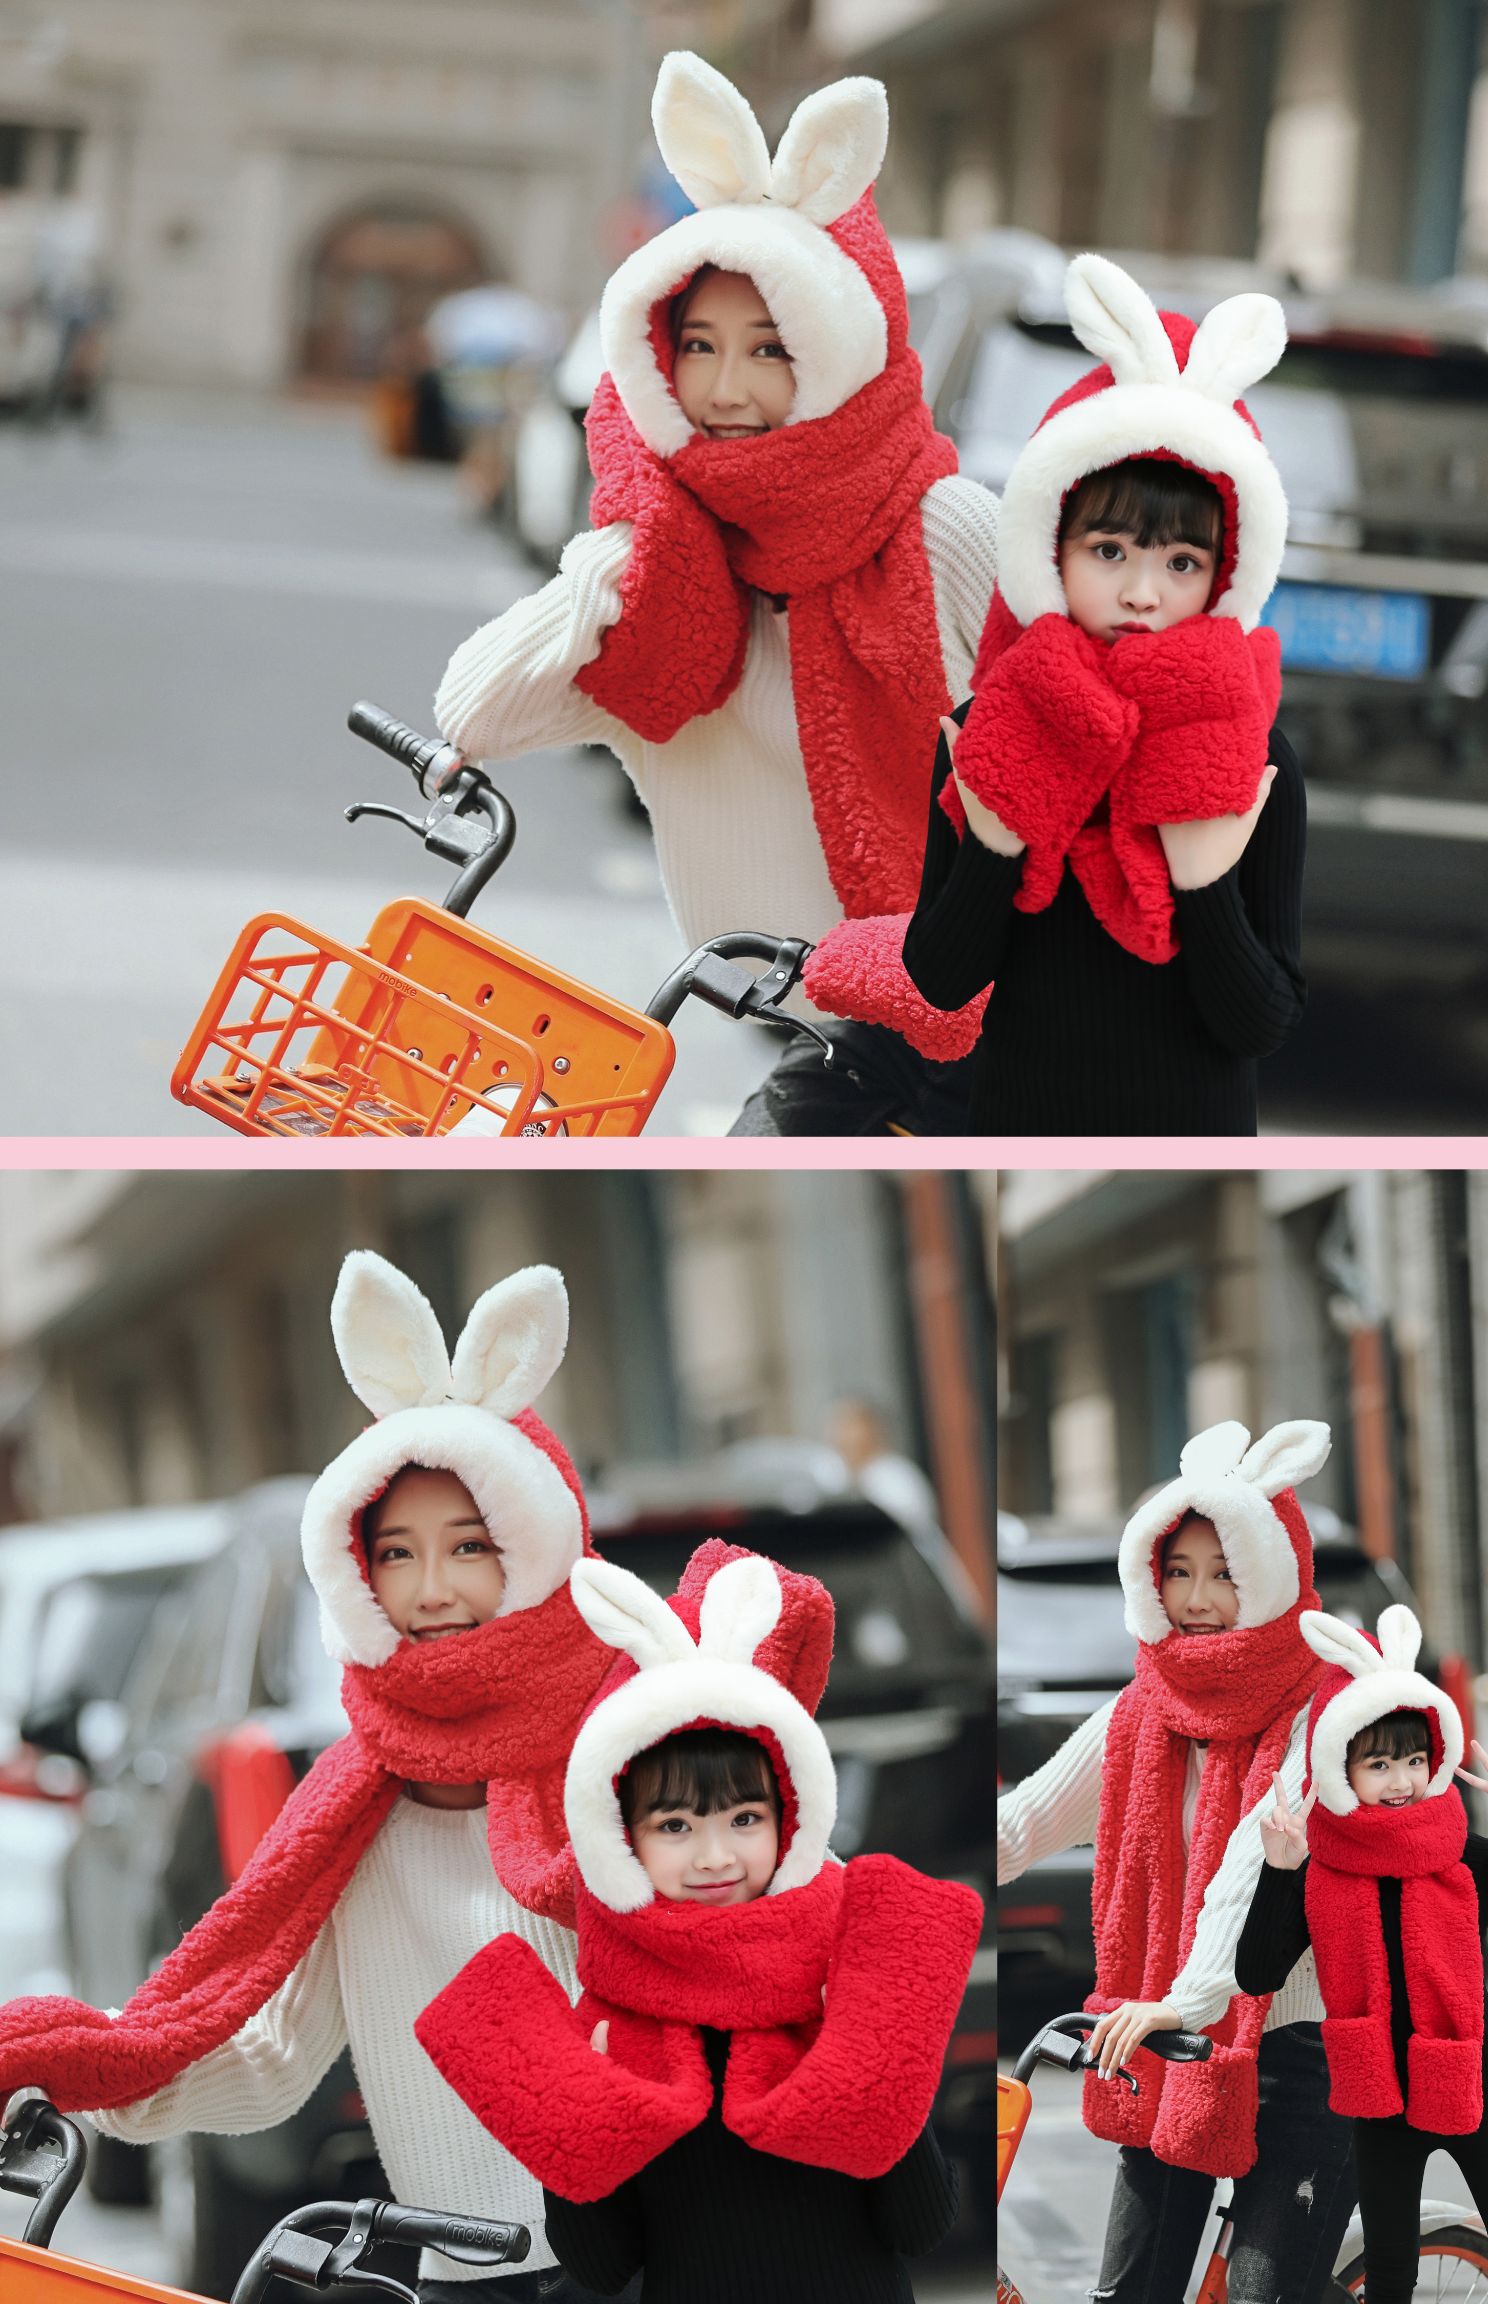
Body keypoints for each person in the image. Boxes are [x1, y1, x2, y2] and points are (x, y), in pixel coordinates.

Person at [0, 1251, 616, 2304]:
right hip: (465, 2272)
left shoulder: (632, 1745)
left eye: (470, 1546)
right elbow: (277, 2059)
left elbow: (772, 1942)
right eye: (395, 1554)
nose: (431, 1591)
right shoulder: (355, 1807)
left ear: (533, 1545)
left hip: (662, 2252)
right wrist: (95, 2081)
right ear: (355, 1573)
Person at [432, 51, 998, 1136]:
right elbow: (475, 711)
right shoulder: (669, 589)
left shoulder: (942, 530)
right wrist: (630, 541)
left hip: (1007, 1013)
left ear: (838, 350)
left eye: (772, 349)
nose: (727, 388)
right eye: (696, 346)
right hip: (824, 1023)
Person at [416, 1541, 984, 2303]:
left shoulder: (843, 1978)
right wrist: (565, 2124)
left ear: (790, 1816)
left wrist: (882, 2060)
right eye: (676, 1826)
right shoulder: (610, 2026)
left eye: (744, 1818)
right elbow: (603, 2265)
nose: (715, 1856)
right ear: (622, 1838)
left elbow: (921, 2226)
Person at [883, 253, 1305, 1133]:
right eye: (1109, 551)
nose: (1143, 593)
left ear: (1225, 572)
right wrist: (995, 846)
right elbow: (939, 980)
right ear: (1051, 548)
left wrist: (1202, 880)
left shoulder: (1254, 752)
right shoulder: (987, 728)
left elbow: (1262, 1021)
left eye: (1181, 562)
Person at [995, 1419, 1358, 2304]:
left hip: (1309, 2053)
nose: (1198, 1598)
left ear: (1273, 1574)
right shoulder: (1144, 1710)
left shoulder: (1326, 1706)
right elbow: (1025, 1819)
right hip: (1175, 2052)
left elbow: (1250, 1872)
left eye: (1226, 1573)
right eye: (1180, 1572)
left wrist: (1175, 2000)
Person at [1236, 1604, 1488, 2304]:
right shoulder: (1320, 1868)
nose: (1400, 1780)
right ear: (1342, 1768)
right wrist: (1280, 1872)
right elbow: (1256, 1973)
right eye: (1378, 1763)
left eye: (1413, 1759)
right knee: (1392, 2278)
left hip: (1475, 2087)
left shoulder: (1463, 1855)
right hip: (1379, 2102)